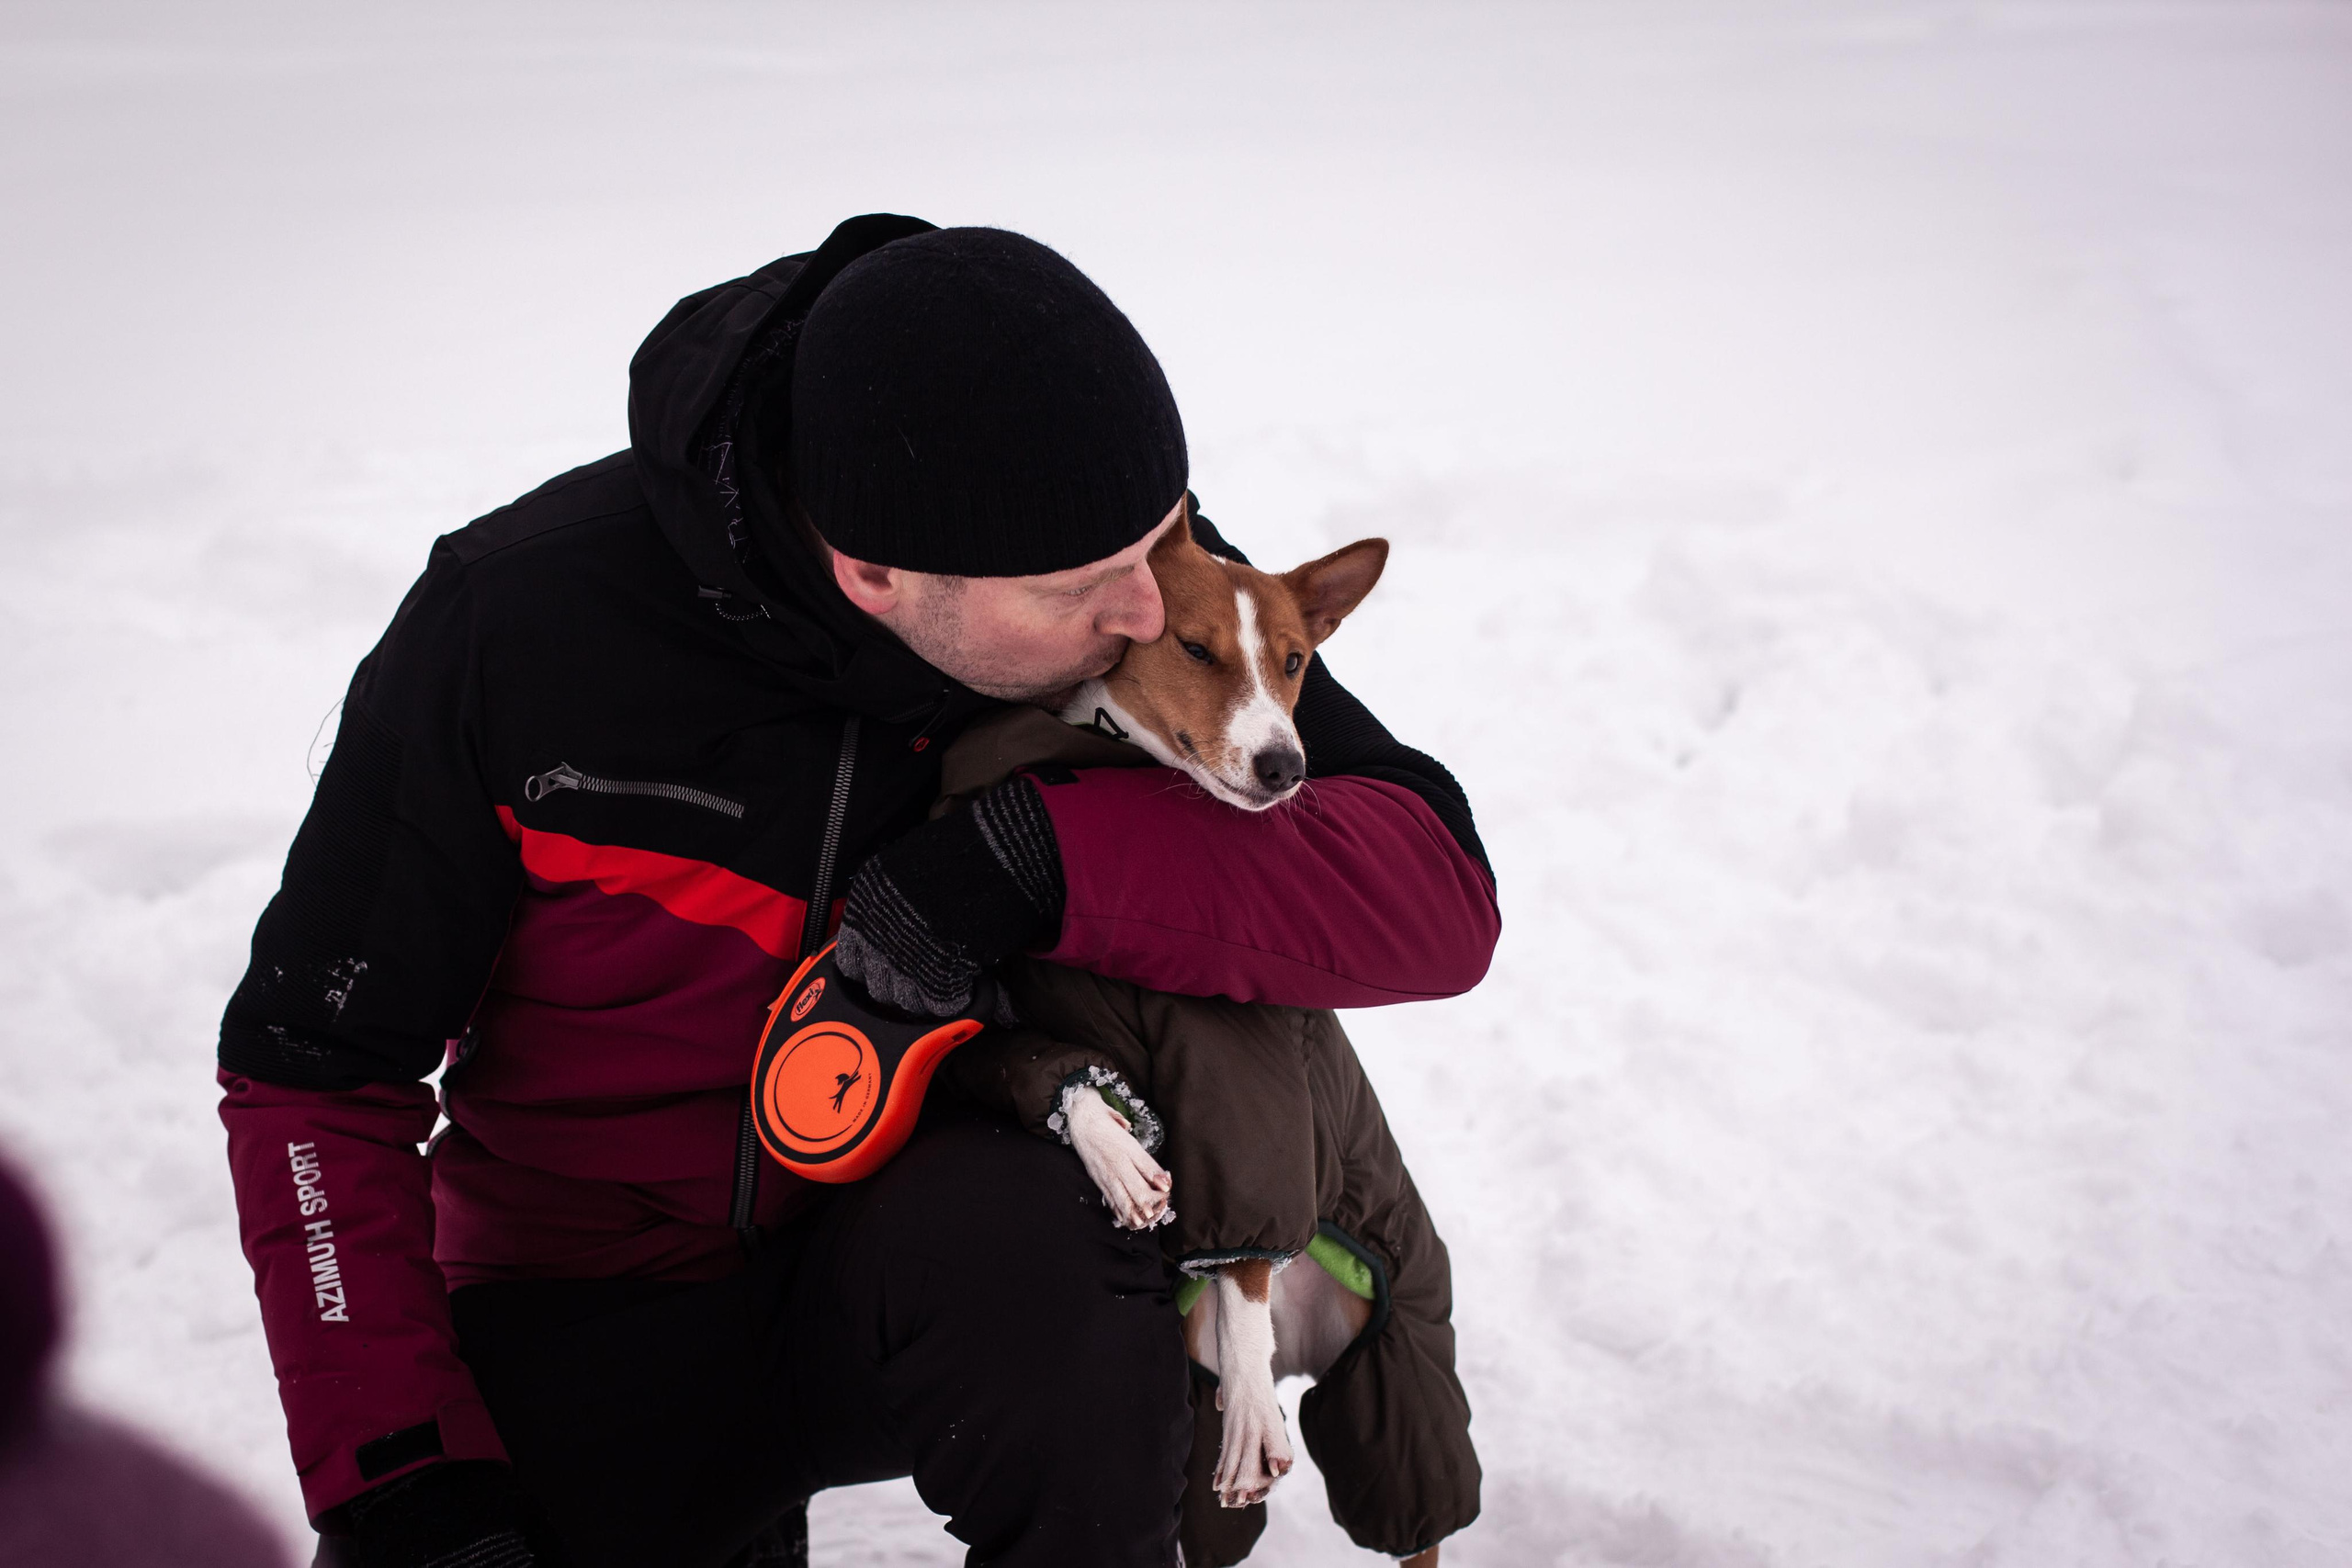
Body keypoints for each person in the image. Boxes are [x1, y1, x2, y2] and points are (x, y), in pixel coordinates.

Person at [217, 214, 1500, 1568]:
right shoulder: (517, 625)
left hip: (907, 1256)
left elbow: (1432, 892)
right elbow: (314, 1075)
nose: (1144, 612)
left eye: (1164, 537)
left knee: (1051, 1245)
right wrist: (403, 1476)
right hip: (581, 1301)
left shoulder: (1098, 541)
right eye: (1087, 587)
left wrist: (1031, 856)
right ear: (876, 574)